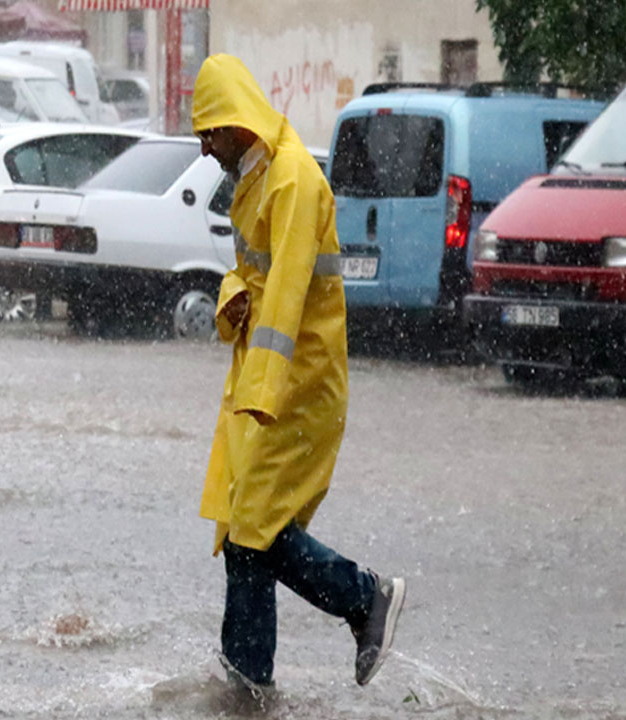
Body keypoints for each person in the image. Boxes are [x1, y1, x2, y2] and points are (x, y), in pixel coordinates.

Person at [192, 53, 406, 697]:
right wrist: (232, 296)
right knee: (244, 530)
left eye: (210, 133)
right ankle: (246, 685)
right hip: (270, 384)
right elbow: (257, 278)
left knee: (254, 532)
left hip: (296, 387)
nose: (205, 149)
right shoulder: (258, 178)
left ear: (237, 123)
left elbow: (285, 298)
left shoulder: (291, 182)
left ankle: (364, 599)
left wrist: (258, 392)